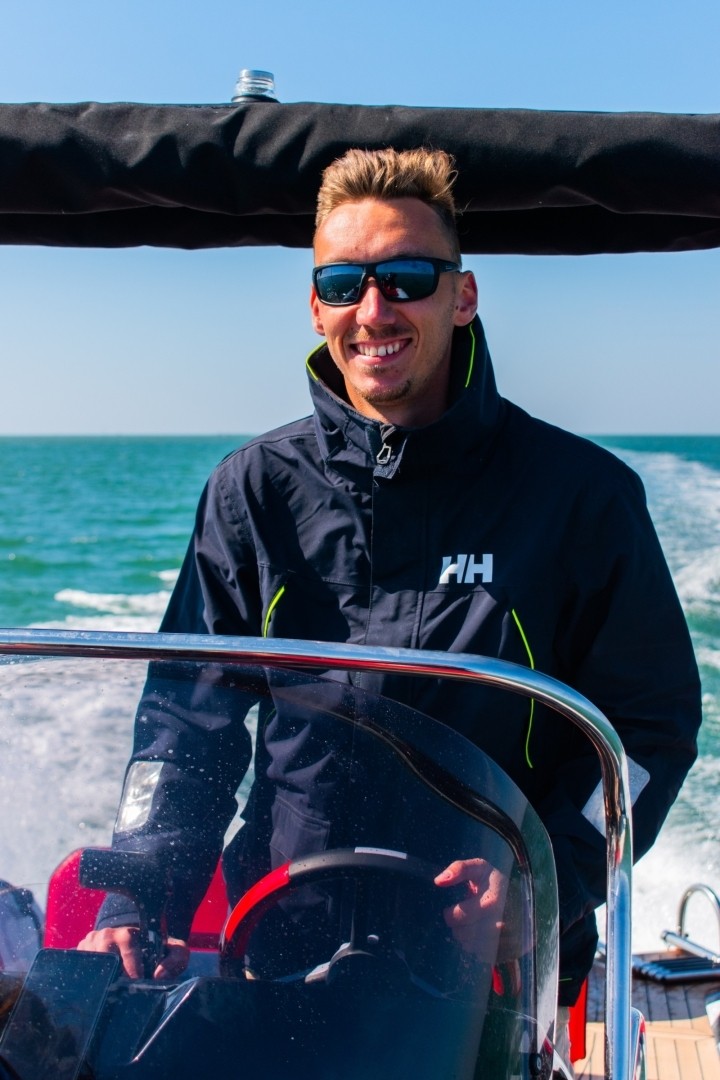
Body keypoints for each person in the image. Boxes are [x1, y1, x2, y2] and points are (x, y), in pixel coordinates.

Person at [79, 148, 701, 1022]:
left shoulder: (582, 499)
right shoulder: (251, 492)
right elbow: (187, 726)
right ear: (316, 306)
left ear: (463, 295)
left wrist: (546, 876)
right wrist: (140, 899)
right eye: (343, 283)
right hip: (281, 955)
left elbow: (644, 737)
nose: (374, 311)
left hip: (496, 980)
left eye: (407, 278)